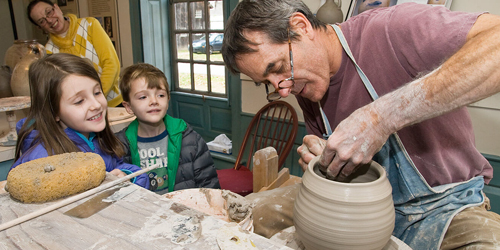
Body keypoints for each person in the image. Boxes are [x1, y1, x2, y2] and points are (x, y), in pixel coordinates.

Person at [222, 0, 500, 249]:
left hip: (445, 207)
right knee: (241, 215)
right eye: (267, 83)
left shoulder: (392, 28)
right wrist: (324, 160)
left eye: (279, 66)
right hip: (354, 207)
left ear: (301, 26)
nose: (282, 90)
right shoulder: (307, 86)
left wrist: (382, 117)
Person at [11, 53, 149, 189]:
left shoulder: (98, 140)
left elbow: (119, 167)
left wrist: (127, 175)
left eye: (97, 92)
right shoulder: (41, 160)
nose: (96, 104)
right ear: (54, 112)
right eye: (79, 101)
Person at [115, 63, 220, 194]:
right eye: (143, 97)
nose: (154, 101)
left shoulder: (191, 140)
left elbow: (209, 187)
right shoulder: (119, 146)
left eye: (161, 95)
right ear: (129, 107)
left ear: (168, 99)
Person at [27, 0, 122, 107]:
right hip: (83, 111)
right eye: (41, 21)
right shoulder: (49, 51)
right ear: (40, 28)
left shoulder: (89, 25)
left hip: (115, 102)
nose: (49, 20)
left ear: (57, 8)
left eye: (49, 12)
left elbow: (112, 64)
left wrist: (95, 98)